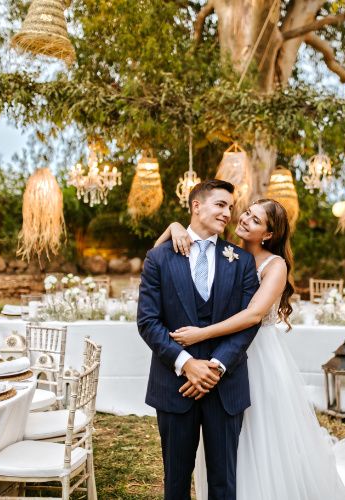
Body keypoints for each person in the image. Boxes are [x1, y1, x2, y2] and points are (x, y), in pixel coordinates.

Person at [157, 198, 345, 500]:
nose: (244, 220)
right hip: (223, 351)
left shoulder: (274, 265)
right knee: (221, 433)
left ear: (268, 234)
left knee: (262, 431)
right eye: (247, 214)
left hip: (259, 356)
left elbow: (253, 315)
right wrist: (175, 227)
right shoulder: (228, 253)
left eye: (255, 220)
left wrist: (201, 334)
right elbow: (158, 253)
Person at [137, 179, 261, 500]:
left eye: (230, 208)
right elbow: (148, 322)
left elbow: (247, 324)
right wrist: (186, 363)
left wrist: (216, 367)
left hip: (225, 386)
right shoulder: (159, 257)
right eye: (220, 205)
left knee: (224, 483)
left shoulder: (241, 260)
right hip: (174, 385)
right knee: (176, 483)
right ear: (196, 206)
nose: (227, 213)